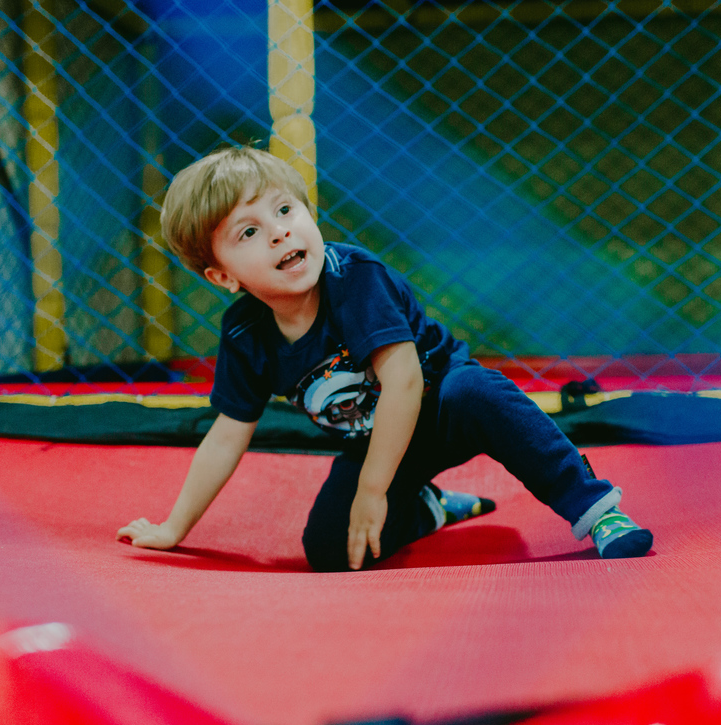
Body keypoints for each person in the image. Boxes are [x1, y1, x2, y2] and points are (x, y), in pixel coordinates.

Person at [118, 145, 652, 571]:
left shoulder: (354, 278)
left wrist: (372, 491)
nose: (280, 230)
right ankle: (429, 508)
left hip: (440, 405)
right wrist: (174, 528)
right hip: (374, 442)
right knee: (330, 551)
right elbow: (227, 434)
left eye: (285, 210)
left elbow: (402, 382)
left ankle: (596, 510)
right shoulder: (245, 334)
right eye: (250, 232)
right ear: (223, 276)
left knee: (480, 391)